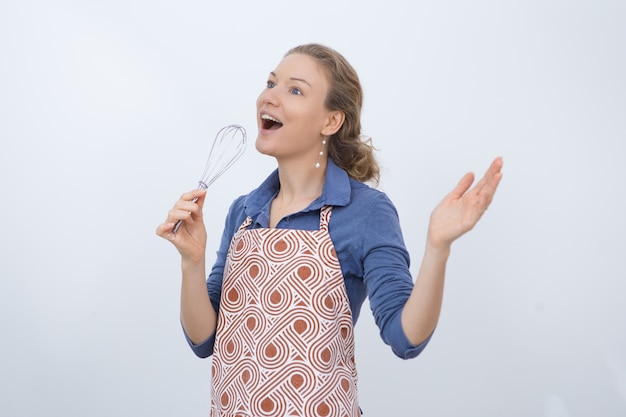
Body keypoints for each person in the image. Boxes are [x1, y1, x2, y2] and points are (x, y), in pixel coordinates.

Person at [156, 43, 503, 417]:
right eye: (271, 82)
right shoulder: (243, 211)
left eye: (295, 90)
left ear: (330, 121)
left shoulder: (367, 212)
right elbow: (204, 340)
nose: (269, 96)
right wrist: (192, 262)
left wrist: (438, 247)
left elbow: (406, 338)